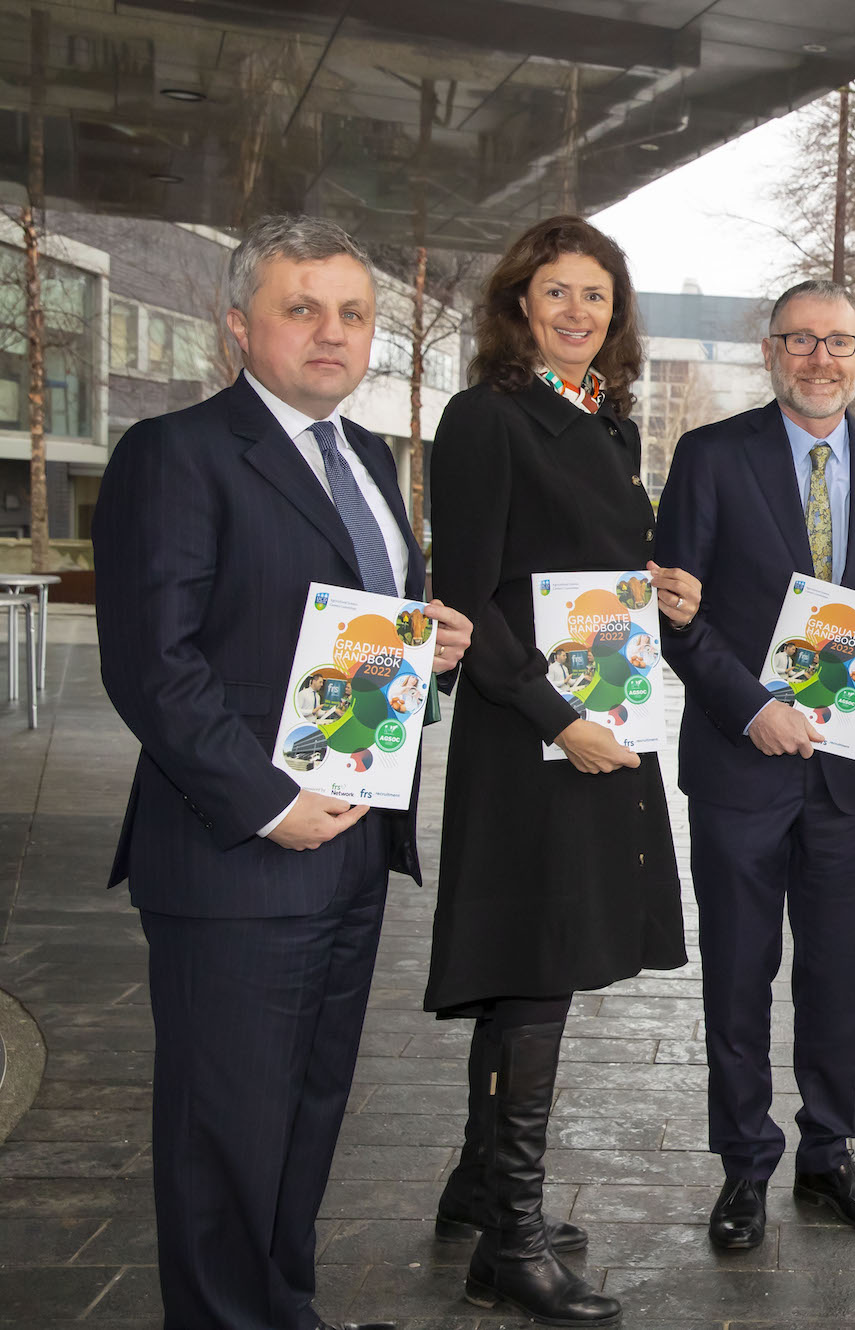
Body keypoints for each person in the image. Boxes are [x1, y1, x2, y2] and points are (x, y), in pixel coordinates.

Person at [93, 214, 473, 1330]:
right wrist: (270, 805)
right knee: (225, 1136)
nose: (332, 333)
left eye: (352, 314)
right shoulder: (176, 454)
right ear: (238, 326)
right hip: (237, 862)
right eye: (301, 309)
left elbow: (345, 631)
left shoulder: (366, 459)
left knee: (305, 1120)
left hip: (353, 849)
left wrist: (427, 640)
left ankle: (283, 1311)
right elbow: (152, 667)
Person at [424, 216, 699, 1327]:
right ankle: (513, 1238)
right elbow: (471, 598)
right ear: (519, 306)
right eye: (557, 293)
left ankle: (484, 1183)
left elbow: (589, 573)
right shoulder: (485, 419)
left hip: (593, 728)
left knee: (550, 954)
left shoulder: (609, 426)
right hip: (527, 734)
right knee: (531, 960)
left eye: (597, 295)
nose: (578, 312)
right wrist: (558, 714)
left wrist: (661, 592)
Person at [654, 279, 855, 1251]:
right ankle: (744, 1164)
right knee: (738, 972)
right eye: (801, 341)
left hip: (851, 779)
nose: (822, 358)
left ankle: (829, 1156)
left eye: (840, 342)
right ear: (772, 351)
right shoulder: (709, 458)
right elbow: (676, 618)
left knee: (838, 975)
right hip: (741, 768)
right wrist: (752, 708)